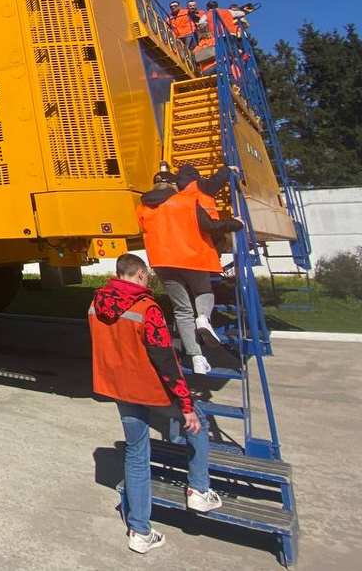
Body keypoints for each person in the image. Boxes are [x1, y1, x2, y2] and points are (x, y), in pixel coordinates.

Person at [89, 254, 222, 554]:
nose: (148, 282)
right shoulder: (146, 308)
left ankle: (139, 531)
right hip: (150, 390)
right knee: (198, 426)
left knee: (136, 455)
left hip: (120, 390)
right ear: (138, 275)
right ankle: (199, 489)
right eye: (146, 277)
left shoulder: (95, 304)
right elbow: (166, 360)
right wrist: (186, 405)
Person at [136, 165, 243, 374]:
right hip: (191, 257)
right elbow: (209, 226)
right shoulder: (186, 201)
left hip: (162, 262)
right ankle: (203, 317)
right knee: (203, 291)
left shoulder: (142, 207)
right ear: (174, 184)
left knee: (182, 310)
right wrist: (236, 224)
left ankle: (196, 357)